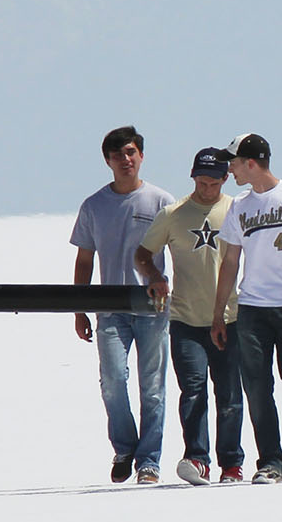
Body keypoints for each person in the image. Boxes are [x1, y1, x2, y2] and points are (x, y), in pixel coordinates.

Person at [209, 134, 282, 483]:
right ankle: (271, 460)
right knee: (257, 389)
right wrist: (219, 314)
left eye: (233, 162)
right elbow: (230, 261)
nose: (228, 169)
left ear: (251, 162)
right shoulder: (239, 207)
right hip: (252, 310)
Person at [71, 125, 178, 484]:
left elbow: (181, 250)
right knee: (113, 381)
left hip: (151, 309)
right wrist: (79, 307)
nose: (126, 160)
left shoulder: (161, 201)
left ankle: (149, 459)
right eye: (118, 155)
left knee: (153, 386)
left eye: (131, 153)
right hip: (110, 307)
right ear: (108, 161)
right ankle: (125, 447)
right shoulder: (94, 205)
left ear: (141, 156)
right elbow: (85, 259)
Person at [136, 147, 246, 485]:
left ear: (225, 179)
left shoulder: (235, 210)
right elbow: (142, 254)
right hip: (185, 320)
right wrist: (155, 277)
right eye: (201, 181)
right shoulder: (173, 214)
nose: (207, 189)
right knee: (193, 390)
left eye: (213, 183)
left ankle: (231, 464)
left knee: (228, 394)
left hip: (229, 317)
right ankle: (197, 459)